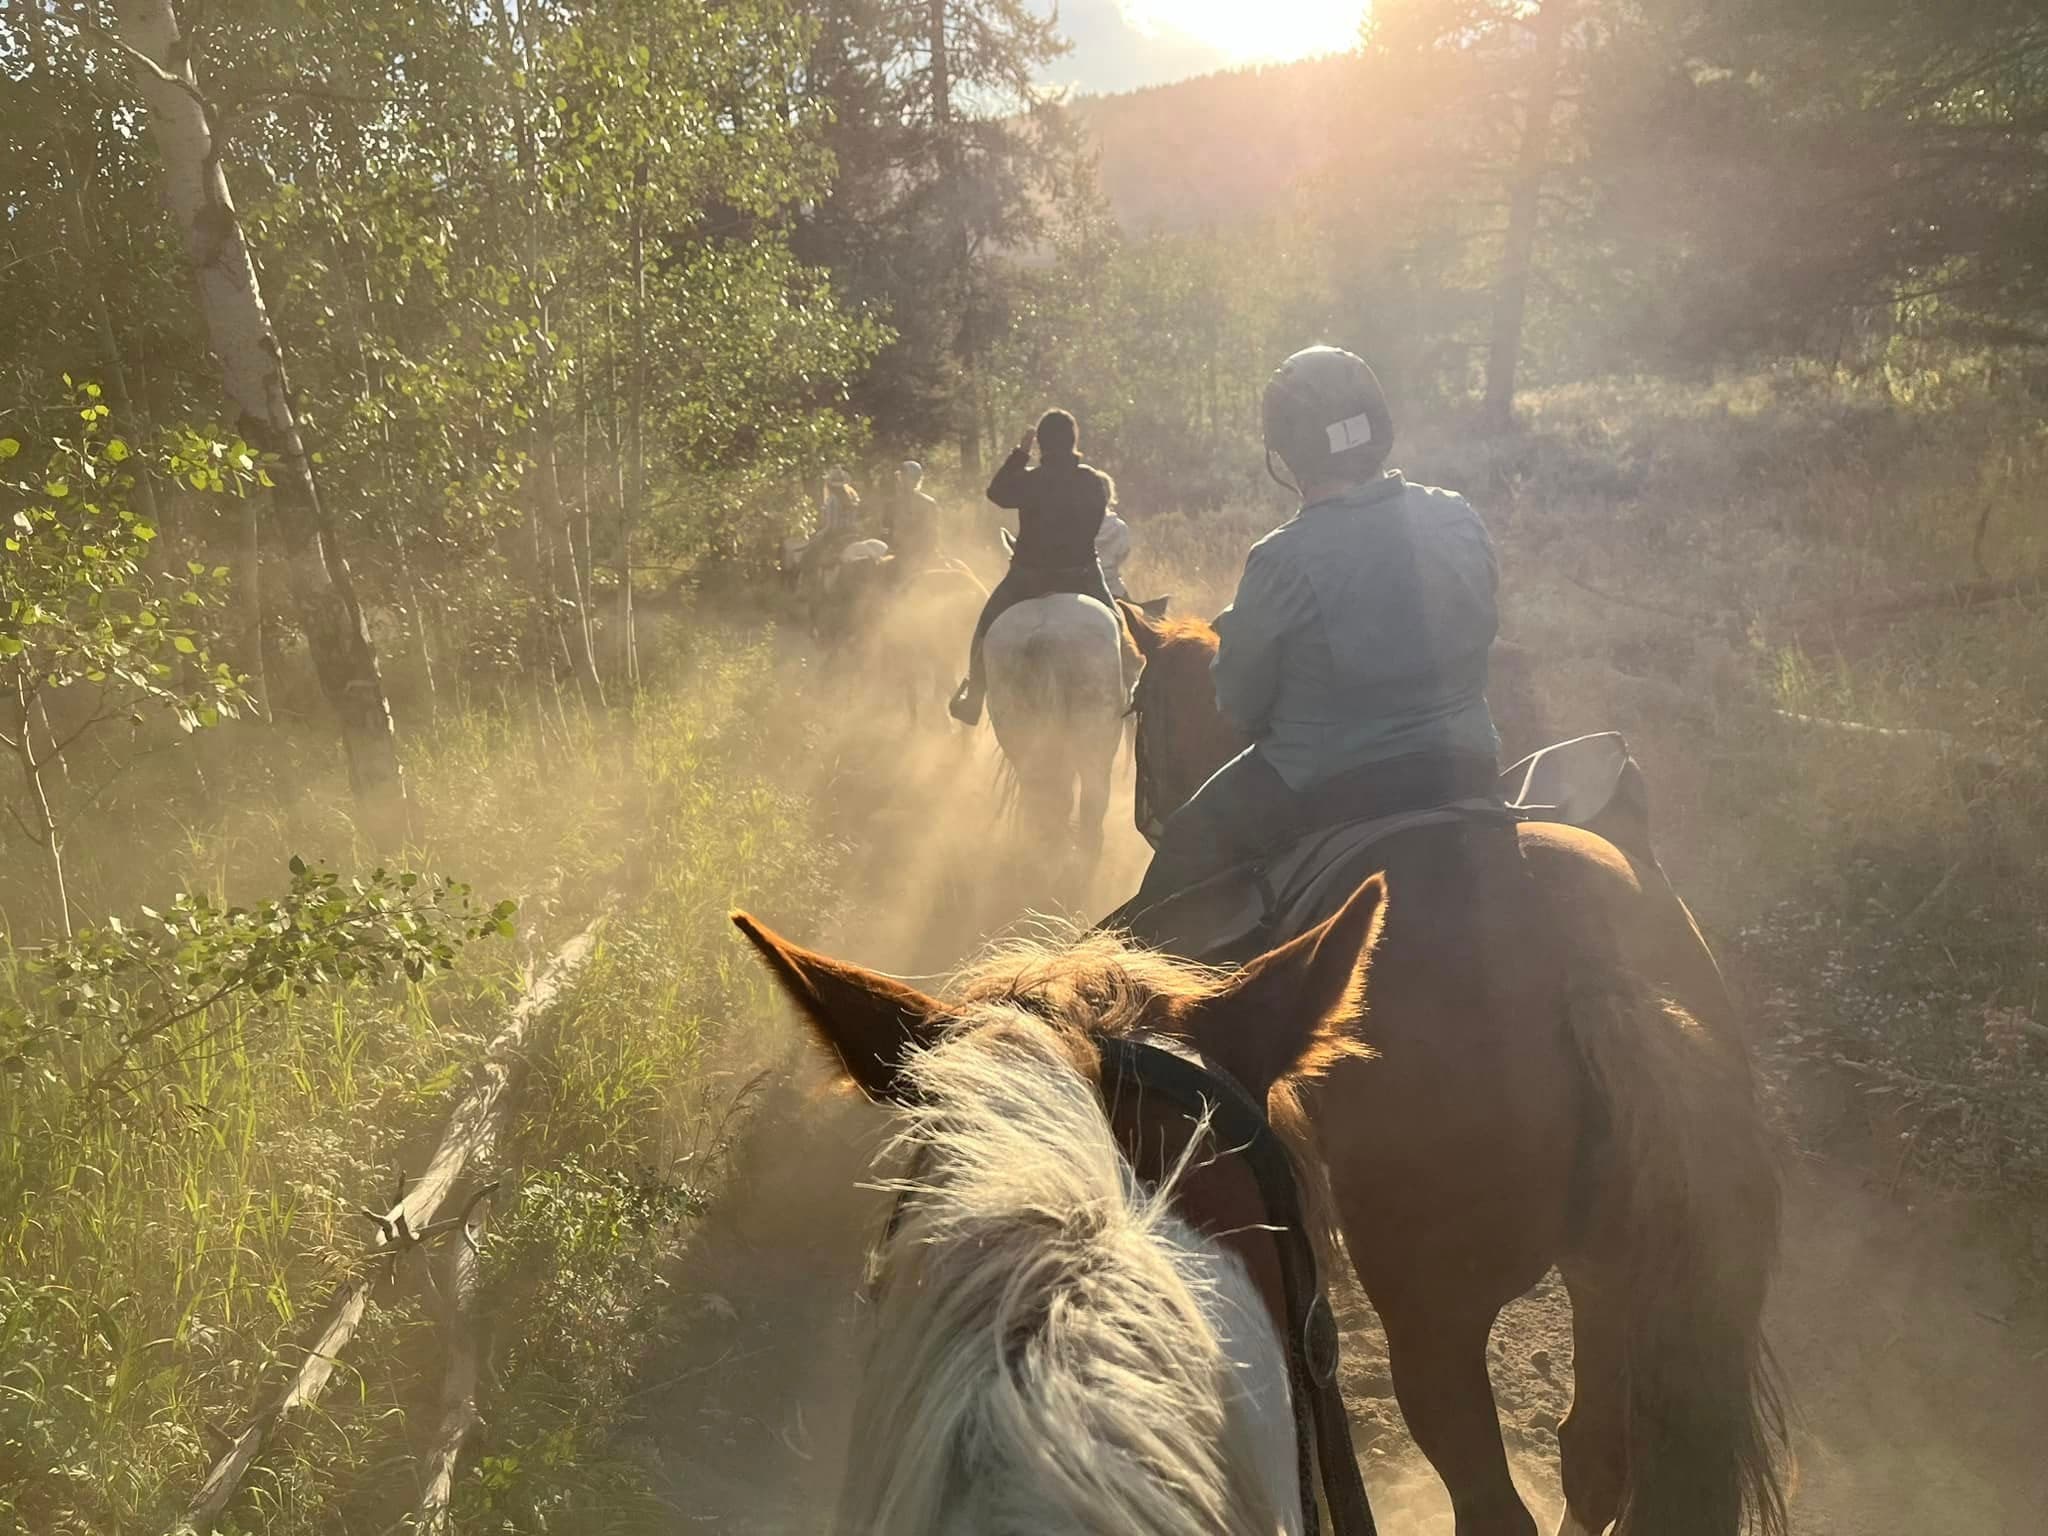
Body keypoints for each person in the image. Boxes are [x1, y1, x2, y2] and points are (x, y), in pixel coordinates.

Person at [1129, 345, 1502, 909]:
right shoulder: (1457, 514)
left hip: (1326, 784)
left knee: (1182, 849)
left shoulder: (1281, 559)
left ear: (1286, 451)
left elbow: (1238, 703)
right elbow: (1484, 625)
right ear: (1379, 427)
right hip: (1466, 763)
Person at [948, 410, 1118, 726]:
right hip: (1081, 574)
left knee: (986, 625)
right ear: (1074, 441)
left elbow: (995, 492)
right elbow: (1095, 523)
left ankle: (973, 699)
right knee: (1121, 628)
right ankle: (1132, 688)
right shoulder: (1090, 480)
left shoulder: (1029, 479)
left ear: (1041, 443)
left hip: (1028, 576)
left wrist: (1019, 453)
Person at [882, 459, 942, 570]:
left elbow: (932, 532)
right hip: (898, 553)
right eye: (902, 477)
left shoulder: (928, 504)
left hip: (923, 555)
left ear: (916, 480)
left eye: (907, 478)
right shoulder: (891, 505)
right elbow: (886, 531)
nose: (904, 481)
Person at [1094, 483, 1132, 599]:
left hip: (1081, 587)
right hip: (1113, 589)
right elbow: (1122, 555)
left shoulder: (1074, 525)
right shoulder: (1120, 527)